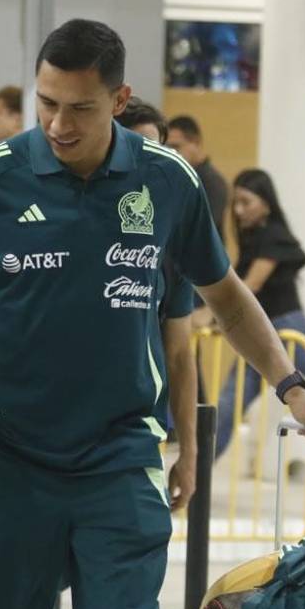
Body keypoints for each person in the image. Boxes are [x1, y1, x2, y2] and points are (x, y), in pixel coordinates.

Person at [0, 18, 305, 609]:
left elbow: (228, 299)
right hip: (9, 463)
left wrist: (290, 386)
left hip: (120, 463)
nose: (59, 124)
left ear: (118, 99)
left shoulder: (166, 179)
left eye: (80, 108)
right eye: (47, 103)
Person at [117, 96, 197, 508]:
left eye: (156, 150)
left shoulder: (171, 243)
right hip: (48, 443)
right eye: (134, 147)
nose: (144, 162)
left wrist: (190, 452)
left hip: (136, 441)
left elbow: (181, 353)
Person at [209, 169, 305, 458]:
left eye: (246, 202)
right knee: (230, 404)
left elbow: (251, 286)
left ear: (266, 203)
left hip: (289, 332)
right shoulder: (253, 240)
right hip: (262, 332)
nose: (238, 210)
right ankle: (198, 476)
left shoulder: (275, 236)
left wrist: (212, 314)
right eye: (236, 203)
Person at [167, 115, 227, 237]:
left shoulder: (212, 182)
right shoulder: (180, 178)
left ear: (196, 142)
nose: (171, 153)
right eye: (167, 148)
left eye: (176, 147)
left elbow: (203, 229)